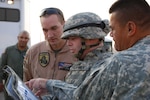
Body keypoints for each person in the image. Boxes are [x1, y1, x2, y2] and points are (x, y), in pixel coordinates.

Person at [73, 0, 150, 99]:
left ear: (130, 28)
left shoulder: (121, 62)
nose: (111, 34)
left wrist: (50, 84)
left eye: (113, 29)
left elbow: (80, 96)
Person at [26, 12, 112, 100]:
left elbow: (82, 96)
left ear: (90, 38)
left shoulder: (107, 67)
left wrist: (47, 84)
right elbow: (68, 93)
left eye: (73, 39)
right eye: (67, 39)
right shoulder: (80, 64)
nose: (68, 43)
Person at [23, 7, 76, 82]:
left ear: (64, 24)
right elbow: (26, 85)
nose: (50, 35)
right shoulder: (33, 52)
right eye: (45, 30)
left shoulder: (76, 52)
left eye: (54, 28)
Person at [0, 30, 30, 100]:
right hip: (9, 84)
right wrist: (0, 81)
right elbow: (2, 66)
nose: (23, 40)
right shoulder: (8, 50)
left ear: (28, 40)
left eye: (26, 38)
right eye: (21, 37)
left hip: (24, 86)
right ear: (18, 38)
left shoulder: (31, 52)